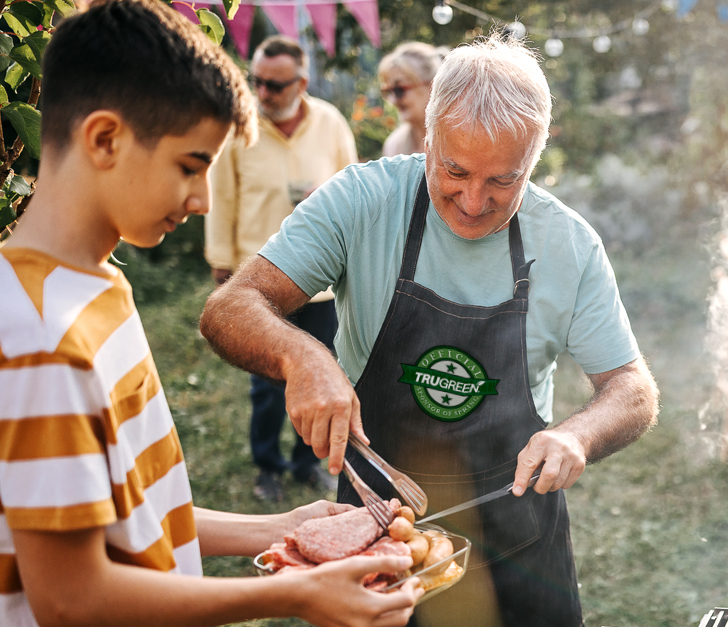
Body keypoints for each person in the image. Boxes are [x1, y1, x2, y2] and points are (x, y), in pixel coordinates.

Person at [200, 33, 659, 626]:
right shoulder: (361, 202)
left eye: (503, 181)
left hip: (520, 543)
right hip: (380, 528)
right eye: (456, 169)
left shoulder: (567, 243)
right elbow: (229, 308)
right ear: (429, 136)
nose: (472, 201)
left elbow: (631, 386)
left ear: (535, 161)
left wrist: (580, 435)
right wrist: (302, 357)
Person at [0, 1, 420, 625]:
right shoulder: (35, 333)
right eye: (190, 166)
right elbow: (71, 598)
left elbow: (133, 512)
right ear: (105, 139)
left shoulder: (100, 290)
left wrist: (282, 527)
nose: (201, 200)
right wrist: (295, 593)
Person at [205, 35, 358, 501]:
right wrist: (222, 262)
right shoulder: (240, 126)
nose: (262, 93)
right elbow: (221, 197)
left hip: (322, 281)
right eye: (257, 82)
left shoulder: (330, 123)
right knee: (268, 386)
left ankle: (308, 462)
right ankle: (267, 466)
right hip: (260, 281)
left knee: (323, 371)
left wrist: (328, 198)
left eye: (274, 85)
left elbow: (356, 185)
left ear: (302, 82)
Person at [378, 42, 444, 157]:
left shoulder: (457, 141)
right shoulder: (394, 146)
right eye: (388, 91)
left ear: (432, 85)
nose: (393, 101)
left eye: (399, 90)